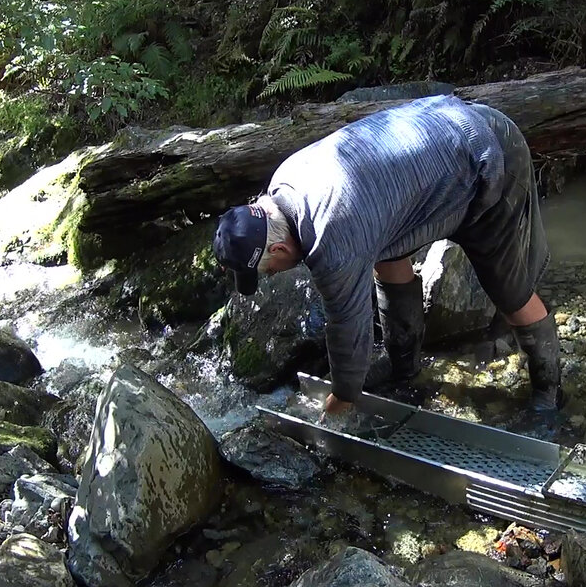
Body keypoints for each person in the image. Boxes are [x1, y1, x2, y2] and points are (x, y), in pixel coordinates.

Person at [213, 95, 562, 418]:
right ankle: (404, 367)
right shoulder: (282, 183)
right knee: (382, 252)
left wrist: (343, 398)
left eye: (269, 269)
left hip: (488, 155)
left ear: (279, 249)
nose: (272, 274)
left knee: (507, 289)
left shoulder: (330, 235)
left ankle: (549, 395)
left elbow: (348, 325)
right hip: (438, 147)